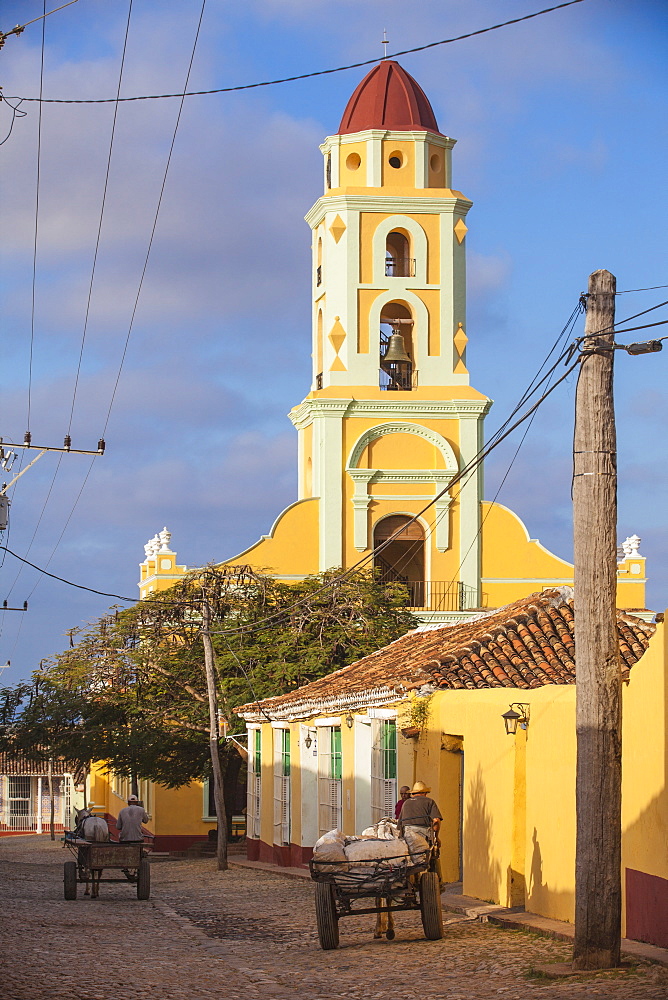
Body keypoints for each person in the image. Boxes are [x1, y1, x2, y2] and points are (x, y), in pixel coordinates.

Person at [398, 780, 443, 886]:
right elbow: (436, 820)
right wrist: (437, 837)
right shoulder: (429, 802)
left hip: (407, 834)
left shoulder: (406, 803)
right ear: (425, 793)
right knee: (432, 854)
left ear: (413, 793)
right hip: (423, 834)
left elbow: (400, 824)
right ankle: (436, 882)